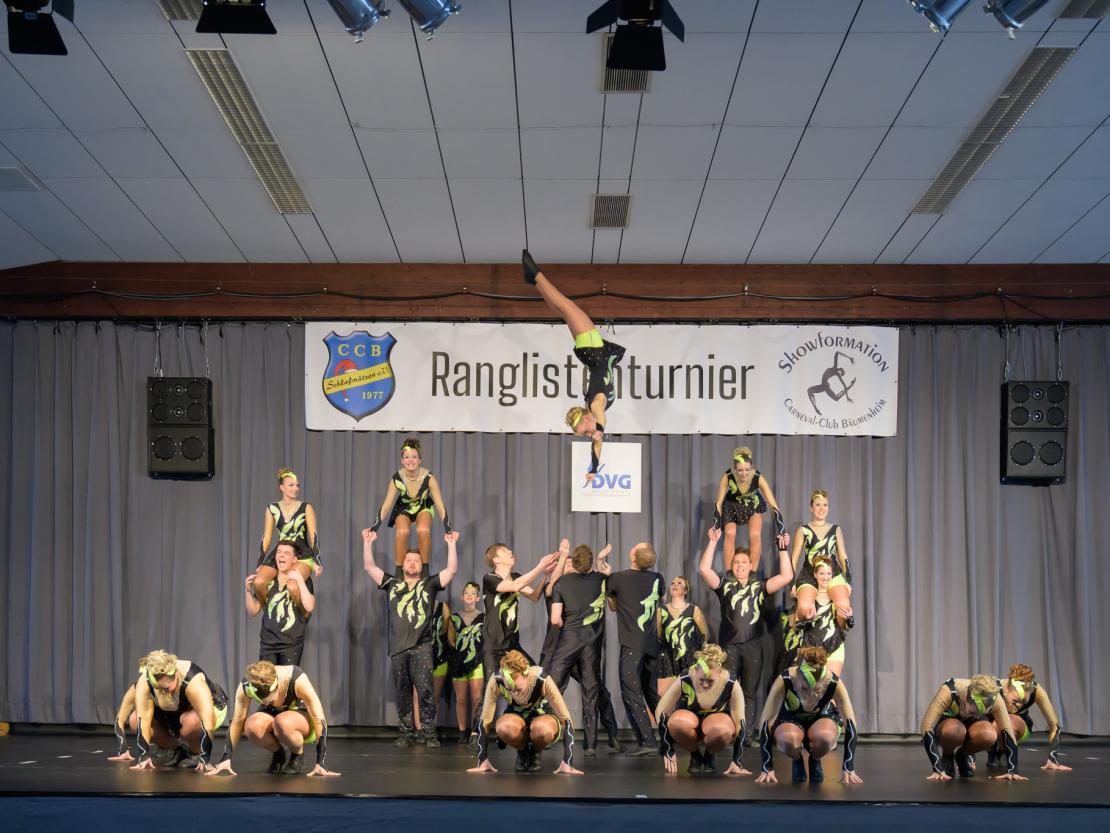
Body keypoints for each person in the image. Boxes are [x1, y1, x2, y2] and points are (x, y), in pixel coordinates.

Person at [522, 249, 625, 482]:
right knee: (563, 308)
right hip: (593, 349)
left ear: (585, 418)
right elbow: (599, 433)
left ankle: (536, 276)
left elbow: (599, 430)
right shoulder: (597, 407)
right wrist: (595, 467)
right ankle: (534, 278)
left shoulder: (594, 406)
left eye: (586, 431)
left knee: (565, 308)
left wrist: (598, 436)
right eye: (587, 432)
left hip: (593, 348)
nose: (589, 433)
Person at [363, 527, 459, 747]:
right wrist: (367, 543)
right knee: (403, 692)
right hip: (398, 648)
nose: (413, 563)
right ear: (403, 564)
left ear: (421, 565)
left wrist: (451, 545)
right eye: (409, 560)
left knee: (425, 690)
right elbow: (369, 567)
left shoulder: (430, 584)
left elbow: (451, 570)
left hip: (422, 646)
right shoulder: (392, 584)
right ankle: (406, 733)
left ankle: (428, 733)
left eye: (417, 560)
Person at [699, 525, 793, 730]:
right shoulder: (725, 585)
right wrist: (713, 541)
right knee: (730, 688)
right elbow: (705, 569)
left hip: (754, 646)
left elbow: (786, 577)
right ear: (732, 565)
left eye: (744, 562)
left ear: (751, 565)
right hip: (730, 646)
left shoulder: (759, 586)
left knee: (750, 691)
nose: (740, 565)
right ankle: (731, 728)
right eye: (736, 562)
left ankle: (747, 733)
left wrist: (783, 550)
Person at [542, 540, 622, 755]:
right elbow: (603, 581)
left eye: (570, 562)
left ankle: (609, 734)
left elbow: (556, 619)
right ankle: (586, 743)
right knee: (587, 691)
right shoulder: (595, 580)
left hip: (568, 643)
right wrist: (600, 560)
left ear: (575, 564)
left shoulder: (563, 585)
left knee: (594, 692)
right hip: (585, 645)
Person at [207, 660, 337, 777]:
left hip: (302, 721)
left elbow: (318, 717)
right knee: (251, 726)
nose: (269, 703)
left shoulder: (296, 678)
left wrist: (321, 762)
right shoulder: (247, 686)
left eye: (272, 699)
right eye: (263, 702)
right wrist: (226, 758)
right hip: (274, 719)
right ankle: (278, 753)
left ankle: (297, 755)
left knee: (282, 722)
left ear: (276, 686)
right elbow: (237, 721)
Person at [755, 645, 861, 785]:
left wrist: (848, 767)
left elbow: (851, 724)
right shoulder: (786, 679)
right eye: (804, 688)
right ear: (797, 673)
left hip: (821, 718)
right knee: (788, 740)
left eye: (817, 689)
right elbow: (765, 722)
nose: (810, 694)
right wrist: (767, 766)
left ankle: (815, 758)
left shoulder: (833, 682)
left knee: (826, 738)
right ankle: (797, 759)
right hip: (791, 718)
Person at [467, 649, 582, 775]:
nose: (515, 693)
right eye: (510, 689)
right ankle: (523, 751)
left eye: (519, 689)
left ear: (526, 674)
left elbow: (566, 718)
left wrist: (568, 762)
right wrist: (482, 760)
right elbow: (486, 719)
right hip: (516, 715)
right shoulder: (497, 679)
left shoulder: (541, 678)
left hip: (542, 714)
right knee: (504, 727)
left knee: (543, 730)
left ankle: (535, 752)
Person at [607, 541, 665, 756]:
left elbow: (613, 607)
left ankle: (648, 742)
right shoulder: (657, 578)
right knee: (651, 693)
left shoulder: (618, 578)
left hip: (632, 644)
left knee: (631, 692)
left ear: (634, 557)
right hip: (651, 644)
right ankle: (668, 736)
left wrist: (608, 580)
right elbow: (658, 604)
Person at [129, 650, 229, 773]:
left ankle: (195, 752)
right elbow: (142, 719)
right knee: (134, 720)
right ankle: (179, 749)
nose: (164, 693)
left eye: (167, 688)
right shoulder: (145, 681)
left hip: (211, 709)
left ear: (175, 675)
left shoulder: (193, 682)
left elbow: (208, 719)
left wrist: (205, 756)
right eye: (158, 689)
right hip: (174, 710)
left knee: (191, 721)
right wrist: (143, 756)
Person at [656, 644, 749, 776]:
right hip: (689, 720)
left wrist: (737, 761)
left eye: (710, 681)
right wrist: (667, 746)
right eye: (702, 680)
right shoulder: (686, 677)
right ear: (695, 671)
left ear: (720, 672)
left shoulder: (730, 682)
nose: (705, 684)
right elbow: (662, 712)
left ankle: (709, 756)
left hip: (715, 723)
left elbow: (740, 723)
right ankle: (695, 756)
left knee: (721, 730)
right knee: (677, 723)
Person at [919, 674, 1025, 781]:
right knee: (954, 730)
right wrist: (937, 767)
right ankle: (947, 756)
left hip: (971, 725)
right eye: (973, 712)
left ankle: (962, 755)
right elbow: (926, 726)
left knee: (989, 735)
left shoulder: (994, 698)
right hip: (949, 724)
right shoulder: (950, 690)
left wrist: (1013, 770)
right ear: (965, 698)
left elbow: (1007, 731)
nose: (977, 716)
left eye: (982, 713)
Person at [370, 437, 452, 570]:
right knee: (402, 532)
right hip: (404, 507)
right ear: (402, 460)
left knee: (423, 530)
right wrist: (374, 527)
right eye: (406, 457)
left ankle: (425, 568)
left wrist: (448, 529)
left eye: (414, 457)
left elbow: (440, 506)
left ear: (420, 460)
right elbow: (386, 506)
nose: (410, 460)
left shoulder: (428, 478)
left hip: (423, 506)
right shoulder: (397, 479)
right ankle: (399, 570)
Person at [481, 542, 560, 679]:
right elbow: (514, 586)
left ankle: (517, 702)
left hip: (512, 645)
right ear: (496, 560)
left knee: (535, 679)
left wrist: (545, 576)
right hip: (493, 646)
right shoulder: (490, 578)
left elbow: (534, 596)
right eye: (505, 551)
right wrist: (540, 566)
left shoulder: (516, 576)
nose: (510, 551)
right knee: (491, 689)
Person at [712, 447, 789, 574]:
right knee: (730, 533)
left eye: (747, 469)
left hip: (752, 504)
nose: (744, 474)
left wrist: (782, 530)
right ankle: (729, 573)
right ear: (735, 469)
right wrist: (716, 525)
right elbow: (718, 503)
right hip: (732, 504)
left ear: (751, 467)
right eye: (740, 470)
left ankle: (752, 573)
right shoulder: (727, 476)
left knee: (755, 534)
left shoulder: (758, 477)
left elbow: (774, 505)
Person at [253, 468, 320, 604]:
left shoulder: (306, 508)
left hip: (302, 555)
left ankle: (302, 616)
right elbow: (266, 538)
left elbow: (314, 536)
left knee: (292, 585)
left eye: (297, 485)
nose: (295, 488)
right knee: (259, 582)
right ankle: (269, 610)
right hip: (281, 553)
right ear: (281, 487)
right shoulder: (272, 509)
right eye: (291, 485)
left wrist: (318, 560)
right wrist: (260, 562)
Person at [246, 541, 315, 666]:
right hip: (268, 643)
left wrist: (299, 580)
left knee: (286, 684)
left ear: (294, 560)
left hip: (291, 644)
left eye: (287, 553)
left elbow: (309, 606)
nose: (281, 556)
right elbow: (253, 610)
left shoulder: (303, 581)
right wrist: (247, 591)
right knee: (267, 683)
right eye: (279, 552)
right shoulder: (269, 582)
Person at [991, 664, 1071, 772]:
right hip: (992, 730)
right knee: (987, 728)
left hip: (1019, 727)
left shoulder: (1037, 690)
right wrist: (969, 758)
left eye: (1024, 701)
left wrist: (1053, 758)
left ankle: (1004, 751)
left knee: (1009, 719)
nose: (1019, 705)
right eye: (1015, 701)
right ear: (1008, 689)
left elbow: (1054, 726)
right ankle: (993, 750)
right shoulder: (995, 688)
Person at [790, 489, 852, 625]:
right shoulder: (803, 530)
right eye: (818, 504)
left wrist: (848, 581)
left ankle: (841, 629)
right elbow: (793, 559)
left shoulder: (836, 529)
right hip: (809, 573)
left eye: (825, 505)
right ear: (811, 508)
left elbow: (843, 556)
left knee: (844, 605)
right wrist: (792, 583)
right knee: (805, 608)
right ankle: (803, 625)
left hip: (832, 572)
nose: (821, 508)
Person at [790, 557, 850, 677]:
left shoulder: (838, 597)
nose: (825, 577)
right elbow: (794, 625)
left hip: (833, 645)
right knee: (810, 690)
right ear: (815, 574)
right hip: (811, 648)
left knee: (829, 688)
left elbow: (844, 626)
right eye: (822, 573)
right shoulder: (807, 596)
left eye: (829, 573)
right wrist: (805, 621)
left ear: (832, 575)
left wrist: (848, 619)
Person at [657, 575, 709, 697]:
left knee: (689, 694)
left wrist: (699, 655)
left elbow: (705, 634)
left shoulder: (693, 609)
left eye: (679, 583)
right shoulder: (661, 611)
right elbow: (659, 635)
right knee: (667, 696)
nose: (675, 584)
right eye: (672, 583)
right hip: (668, 659)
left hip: (689, 659)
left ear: (686, 591)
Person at [449, 582, 485, 746]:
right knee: (461, 699)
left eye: (473, 593)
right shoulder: (454, 618)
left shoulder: (484, 617)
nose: (469, 595)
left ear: (478, 598)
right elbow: (451, 640)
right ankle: (462, 731)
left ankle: (475, 730)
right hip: (459, 662)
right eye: (466, 593)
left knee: (477, 698)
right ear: (462, 597)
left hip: (477, 661)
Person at [107, 654, 150, 762]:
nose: (143, 680)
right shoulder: (136, 689)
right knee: (135, 719)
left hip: (175, 726)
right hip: (158, 725)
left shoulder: (167, 687)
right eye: (141, 676)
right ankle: (165, 747)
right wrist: (124, 748)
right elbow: (119, 720)